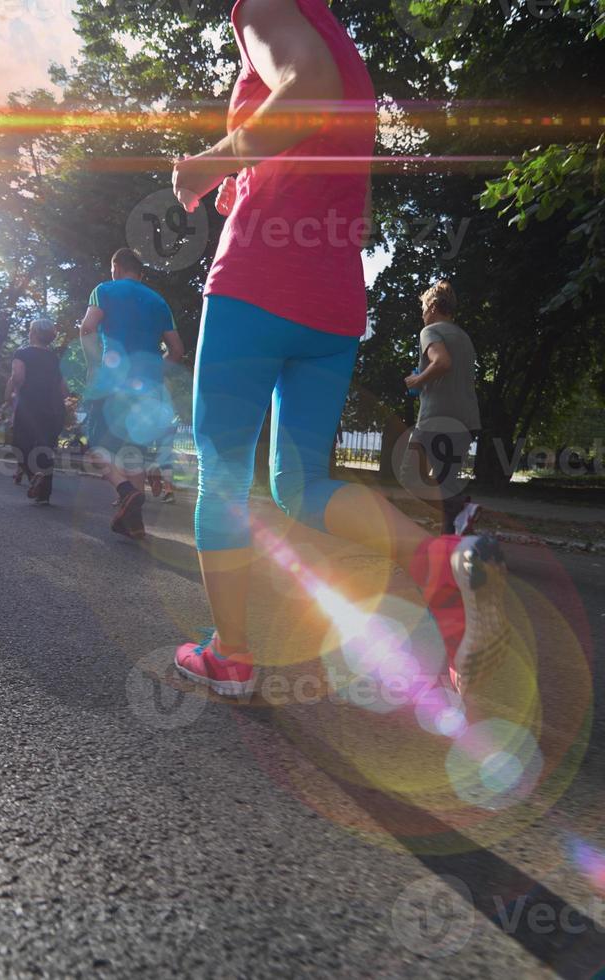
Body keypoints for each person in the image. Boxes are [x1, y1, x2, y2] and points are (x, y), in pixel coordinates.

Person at [169, 0, 508, 697]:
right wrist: (249, 183)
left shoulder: (262, 8)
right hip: (330, 298)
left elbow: (307, 91)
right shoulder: (340, 40)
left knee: (224, 474)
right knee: (301, 486)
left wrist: (208, 164)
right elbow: (317, 142)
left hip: (256, 283)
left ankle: (231, 654)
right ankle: (444, 562)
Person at [79, 247, 185, 539]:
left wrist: (93, 368)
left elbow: (88, 328)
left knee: (96, 445)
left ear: (116, 267)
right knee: (134, 451)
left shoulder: (104, 290)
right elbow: (177, 350)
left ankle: (125, 492)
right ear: (139, 271)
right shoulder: (159, 301)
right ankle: (134, 522)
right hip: (146, 389)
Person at [404, 281, 482, 535]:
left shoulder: (431, 331)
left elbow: (442, 362)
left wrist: (417, 380)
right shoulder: (465, 337)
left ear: (434, 306)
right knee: (446, 484)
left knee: (409, 476)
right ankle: (456, 546)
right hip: (466, 420)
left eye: (424, 309)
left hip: (437, 419)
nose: (422, 315)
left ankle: (461, 508)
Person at [6, 318, 70, 505]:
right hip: (53, 406)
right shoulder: (54, 358)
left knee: (20, 444)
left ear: (32, 333)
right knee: (46, 448)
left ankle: (34, 475)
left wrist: (14, 392)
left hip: (29, 404)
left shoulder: (22, 353)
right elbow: (63, 386)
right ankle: (44, 494)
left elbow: (18, 376)